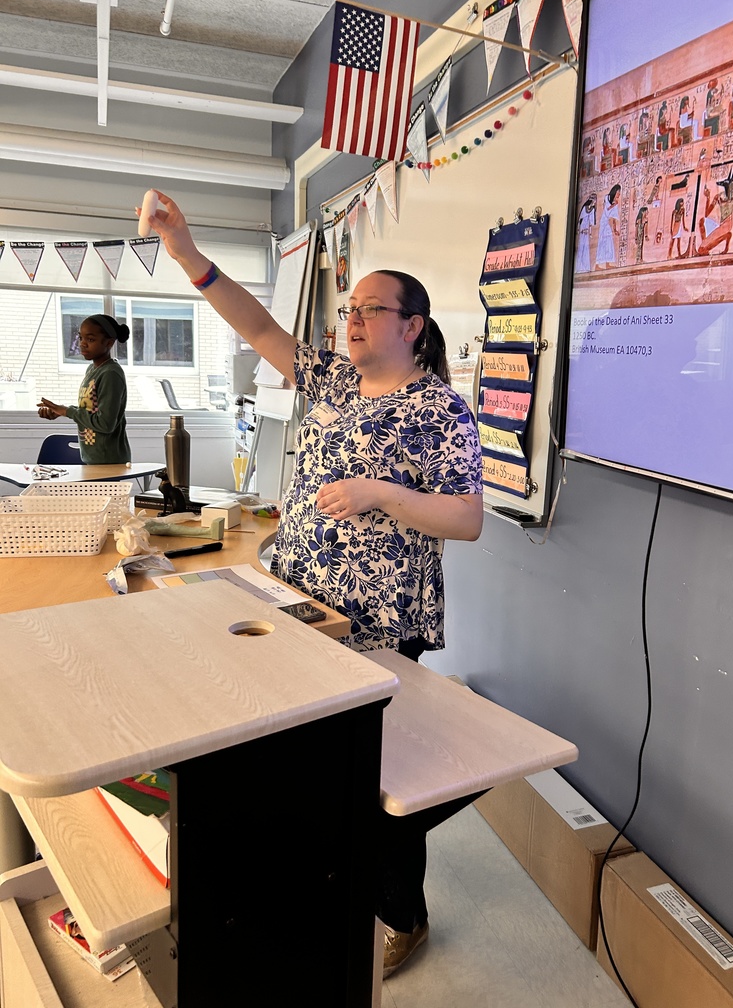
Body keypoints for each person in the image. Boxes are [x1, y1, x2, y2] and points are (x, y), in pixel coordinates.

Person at [143, 189, 484, 976]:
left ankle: (402, 913)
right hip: (295, 601)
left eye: (371, 309)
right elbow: (257, 325)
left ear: (413, 327)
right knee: (302, 764)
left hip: (377, 622)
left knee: (375, 781)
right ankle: (318, 885)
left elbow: (467, 519)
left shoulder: (441, 412)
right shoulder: (329, 379)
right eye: (350, 308)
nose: (352, 319)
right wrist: (187, 253)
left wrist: (383, 494)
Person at [37, 314, 131, 464]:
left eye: (90, 339)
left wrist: (67, 411)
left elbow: (106, 424)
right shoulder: (92, 370)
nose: (82, 344)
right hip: (93, 460)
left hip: (108, 462)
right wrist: (60, 412)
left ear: (109, 343)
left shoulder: (110, 374)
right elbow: (90, 411)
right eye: (81, 338)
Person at [595, 184, 621, 269]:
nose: (619, 194)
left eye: (619, 192)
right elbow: (606, 210)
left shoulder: (616, 203)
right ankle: (598, 264)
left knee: (609, 242)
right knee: (602, 242)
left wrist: (615, 230)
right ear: (615, 191)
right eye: (618, 192)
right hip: (604, 222)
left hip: (608, 224)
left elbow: (613, 218)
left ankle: (608, 263)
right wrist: (614, 204)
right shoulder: (607, 197)